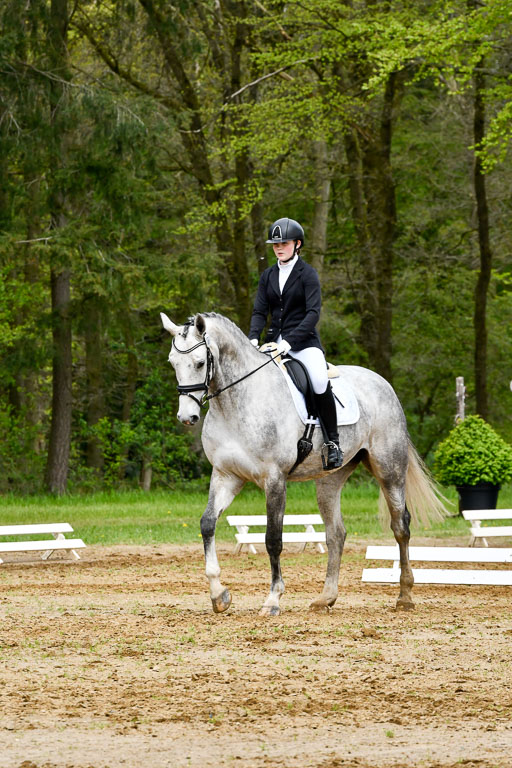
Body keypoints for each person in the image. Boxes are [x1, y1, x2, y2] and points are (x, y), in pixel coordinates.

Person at [248, 217, 343, 470]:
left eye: (284, 243)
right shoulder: (268, 275)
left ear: (297, 244)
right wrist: (253, 338)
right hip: (272, 342)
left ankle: (333, 442)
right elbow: (259, 311)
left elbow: (313, 314)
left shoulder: (307, 274)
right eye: (275, 244)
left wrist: (289, 342)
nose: (278, 248)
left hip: (303, 342)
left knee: (320, 380)